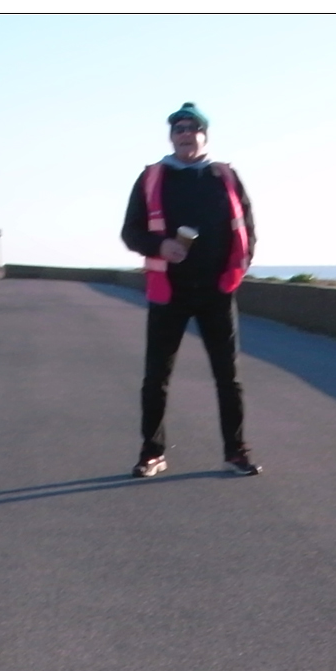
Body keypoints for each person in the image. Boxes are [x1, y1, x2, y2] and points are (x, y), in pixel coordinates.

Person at [121, 102, 261, 478]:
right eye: (179, 129)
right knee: (156, 377)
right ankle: (152, 453)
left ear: (204, 135)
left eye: (192, 128)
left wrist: (236, 273)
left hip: (217, 291)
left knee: (228, 377)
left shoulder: (224, 177)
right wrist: (158, 246)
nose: (185, 134)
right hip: (169, 290)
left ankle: (236, 451)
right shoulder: (153, 177)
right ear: (172, 136)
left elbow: (247, 232)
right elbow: (130, 232)